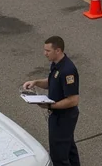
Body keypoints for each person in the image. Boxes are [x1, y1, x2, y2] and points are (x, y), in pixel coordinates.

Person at [22, 37, 81, 166]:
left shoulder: (67, 71)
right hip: (58, 115)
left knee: (59, 155)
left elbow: (73, 100)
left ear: (58, 50)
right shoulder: (56, 64)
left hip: (64, 117)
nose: (45, 53)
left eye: (48, 50)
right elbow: (52, 81)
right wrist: (36, 82)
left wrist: (50, 105)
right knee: (69, 147)